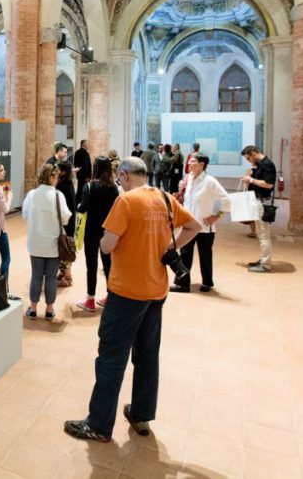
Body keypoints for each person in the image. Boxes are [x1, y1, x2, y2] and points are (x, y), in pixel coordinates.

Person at [64, 157, 202, 442]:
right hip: (156, 291)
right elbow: (194, 226)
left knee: (111, 359)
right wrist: (170, 244)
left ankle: (99, 424)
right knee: (147, 357)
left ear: (124, 175)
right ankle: (141, 415)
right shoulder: (164, 199)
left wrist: (104, 241)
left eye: (119, 177)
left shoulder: (126, 202)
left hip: (126, 293)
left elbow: (108, 244)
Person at [170, 154, 229, 293]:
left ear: (202, 165)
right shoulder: (188, 178)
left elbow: (226, 200)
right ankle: (182, 284)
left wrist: (216, 216)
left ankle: (207, 282)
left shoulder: (210, 181)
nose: (189, 164)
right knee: (184, 255)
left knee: (205, 256)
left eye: (193, 162)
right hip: (188, 226)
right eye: (189, 162)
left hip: (204, 228)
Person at [22, 164, 71, 321]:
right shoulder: (58, 196)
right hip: (53, 244)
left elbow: (25, 215)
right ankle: (49, 310)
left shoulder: (32, 194)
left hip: (35, 243)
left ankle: (33, 309)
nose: (57, 180)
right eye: (56, 177)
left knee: (36, 275)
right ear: (51, 177)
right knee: (51, 277)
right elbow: (65, 218)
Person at [76, 156, 120, 312]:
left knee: (92, 265)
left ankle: (90, 299)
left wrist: (79, 205)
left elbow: (82, 208)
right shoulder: (114, 188)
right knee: (109, 264)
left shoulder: (89, 187)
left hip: (91, 231)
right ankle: (110, 296)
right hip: (107, 231)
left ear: (95, 167)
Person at [241, 145, 277, 272]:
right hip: (258, 201)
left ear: (254, 153)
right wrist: (249, 178)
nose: (249, 161)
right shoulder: (260, 164)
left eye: (249, 158)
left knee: (264, 235)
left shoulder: (267, 164)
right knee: (260, 234)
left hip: (263, 202)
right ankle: (263, 259)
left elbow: (268, 184)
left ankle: (266, 264)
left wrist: (250, 179)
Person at [56, 161, 77, 288]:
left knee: (65, 248)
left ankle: (67, 276)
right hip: (70, 219)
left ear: (63, 171)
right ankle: (65, 274)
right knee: (68, 246)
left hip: (65, 221)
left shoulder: (62, 185)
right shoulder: (69, 182)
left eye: (58, 169)